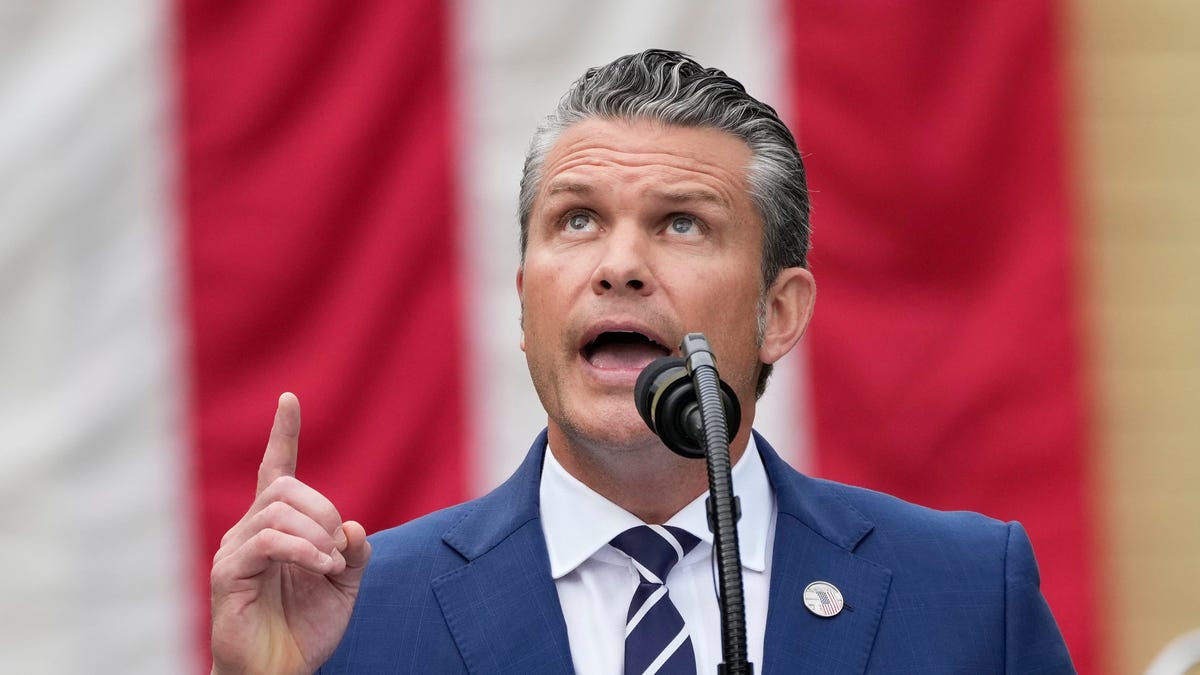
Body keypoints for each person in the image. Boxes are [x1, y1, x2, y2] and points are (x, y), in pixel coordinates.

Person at [209, 49, 1074, 674]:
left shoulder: (967, 594)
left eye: (681, 223)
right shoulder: (356, 616)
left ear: (778, 313)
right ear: (524, 301)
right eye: (577, 220)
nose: (618, 265)